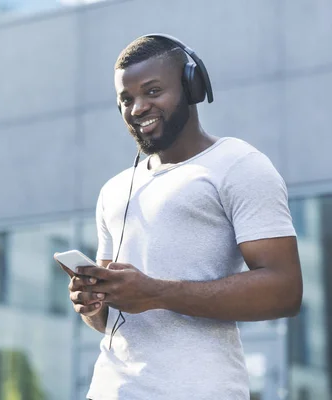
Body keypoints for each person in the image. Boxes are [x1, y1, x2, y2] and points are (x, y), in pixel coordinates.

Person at [55, 35, 303, 399]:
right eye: (126, 99)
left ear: (191, 86)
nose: (137, 107)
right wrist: (92, 305)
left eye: (152, 91)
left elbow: (285, 291)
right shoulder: (114, 190)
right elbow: (113, 315)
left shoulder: (239, 165)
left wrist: (157, 292)